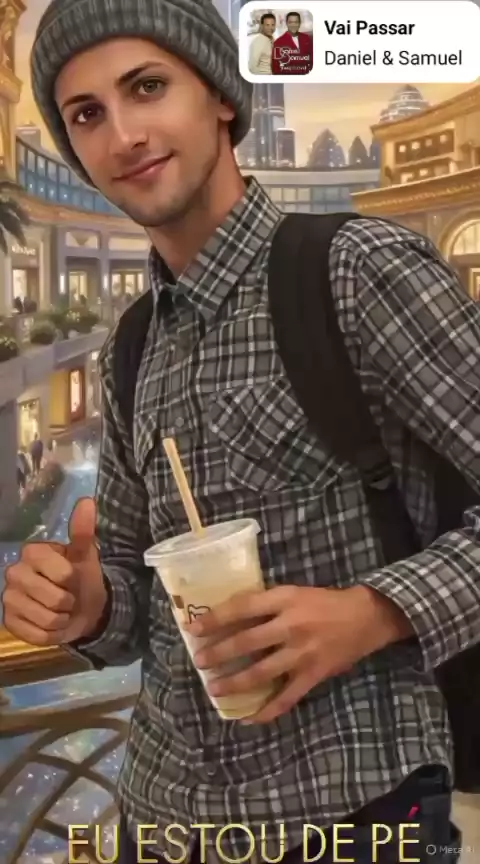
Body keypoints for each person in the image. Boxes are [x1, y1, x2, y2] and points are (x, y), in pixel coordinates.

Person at [3, 0, 480, 861]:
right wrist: (87, 603)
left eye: (148, 87)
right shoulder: (132, 345)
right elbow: (133, 596)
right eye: (87, 115)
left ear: (221, 96)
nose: (124, 135)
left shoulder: (357, 271)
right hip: (160, 820)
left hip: (352, 820)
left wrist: (373, 611)